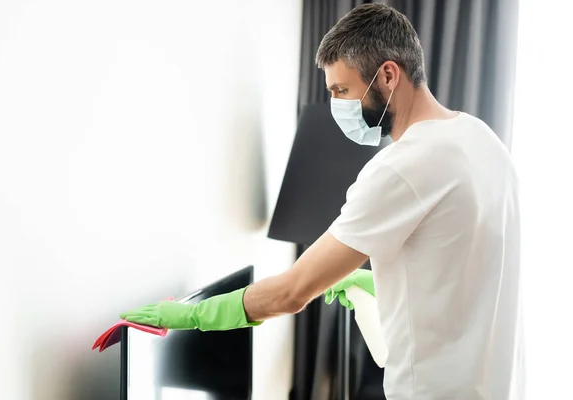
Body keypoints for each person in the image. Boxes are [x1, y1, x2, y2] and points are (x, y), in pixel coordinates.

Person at [120, 3, 524, 399]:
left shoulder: (403, 167)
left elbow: (292, 292)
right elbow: (460, 272)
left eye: (342, 90)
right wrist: (375, 281)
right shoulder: (481, 138)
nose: (337, 107)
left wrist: (193, 315)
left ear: (387, 75)